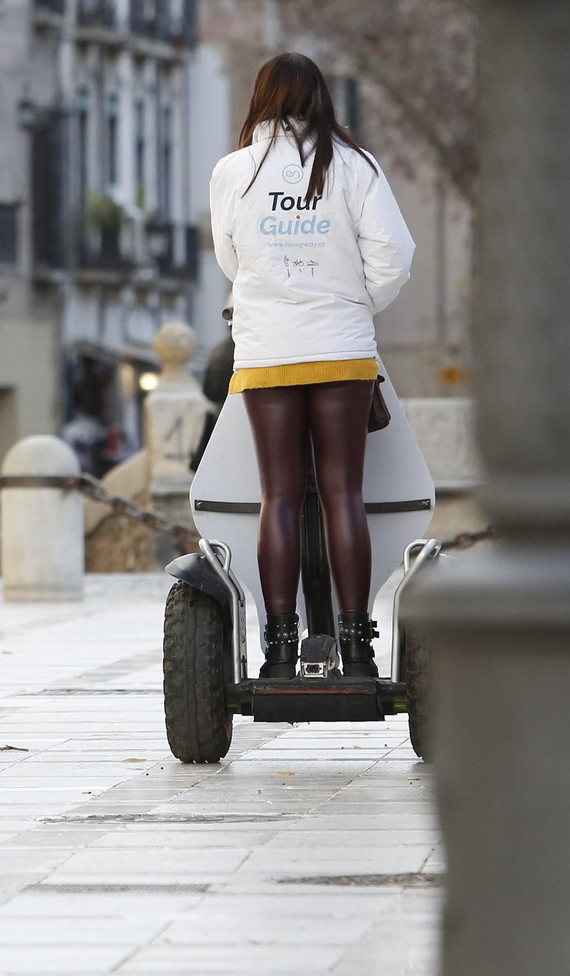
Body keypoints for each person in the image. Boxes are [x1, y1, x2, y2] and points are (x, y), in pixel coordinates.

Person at [208, 53, 414, 679]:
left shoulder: (234, 171)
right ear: (323, 98)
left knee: (279, 495)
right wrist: (353, 304)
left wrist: (279, 295)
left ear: (261, 98)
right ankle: (357, 649)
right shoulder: (356, 166)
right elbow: (394, 255)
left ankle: (278, 651)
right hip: (342, 349)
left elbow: (230, 258)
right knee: (344, 493)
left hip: (267, 351)